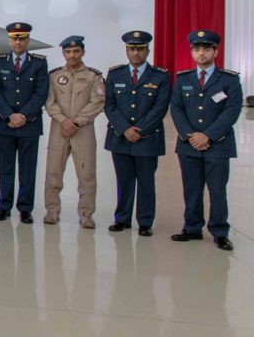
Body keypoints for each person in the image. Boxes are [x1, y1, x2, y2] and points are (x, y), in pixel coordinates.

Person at [169, 30, 243, 251]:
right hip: (189, 145)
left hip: (218, 144)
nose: (201, 53)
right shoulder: (183, 79)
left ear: (215, 52)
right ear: (192, 52)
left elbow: (231, 111)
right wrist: (190, 136)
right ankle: (192, 228)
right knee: (191, 189)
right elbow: (177, 109)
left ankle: (220, 232)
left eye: (206, 49)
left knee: (217, 190)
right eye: (197, 49)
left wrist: (207, 135)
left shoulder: (229, 80)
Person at [104, 30, 170, 237]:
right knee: (123, 180)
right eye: (132, 49)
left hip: (147, 138)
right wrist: (125, 129)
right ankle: (122, 218)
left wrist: (139, 130)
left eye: (140, 49)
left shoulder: (160, 76)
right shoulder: (115, 74)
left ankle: (145, 221)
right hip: (120, 137)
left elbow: (160, 108)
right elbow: (110, 105)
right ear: (126, 50)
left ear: (147, 50)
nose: (136, 53)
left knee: (146, 182)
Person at [42, 36, 105, 228]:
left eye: (76, 51)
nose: (72, 55)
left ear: (82, 52)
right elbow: (49, 102)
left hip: (83, 130)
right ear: (63, 53)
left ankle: (86, 214)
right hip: (59, 129)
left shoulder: (93, 76)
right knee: (53, 173)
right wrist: (64, 120)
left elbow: (98, 102)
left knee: (87, 175)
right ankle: (52, 211)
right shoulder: (54, 76)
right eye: (68, 52)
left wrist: (76, 122)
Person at [0, 22, 48, 224]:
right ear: (9, 40)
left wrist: (22, 115)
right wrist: (10, 115)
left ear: (28, 40)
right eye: (15, 38)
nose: (18, 42)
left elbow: (41, 93)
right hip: (5, 124)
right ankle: (4, 206)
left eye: (22, 38)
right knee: (5, 168)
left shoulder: (39, 63)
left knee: (28, 169)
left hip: (29, 124)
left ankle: (25, 208)